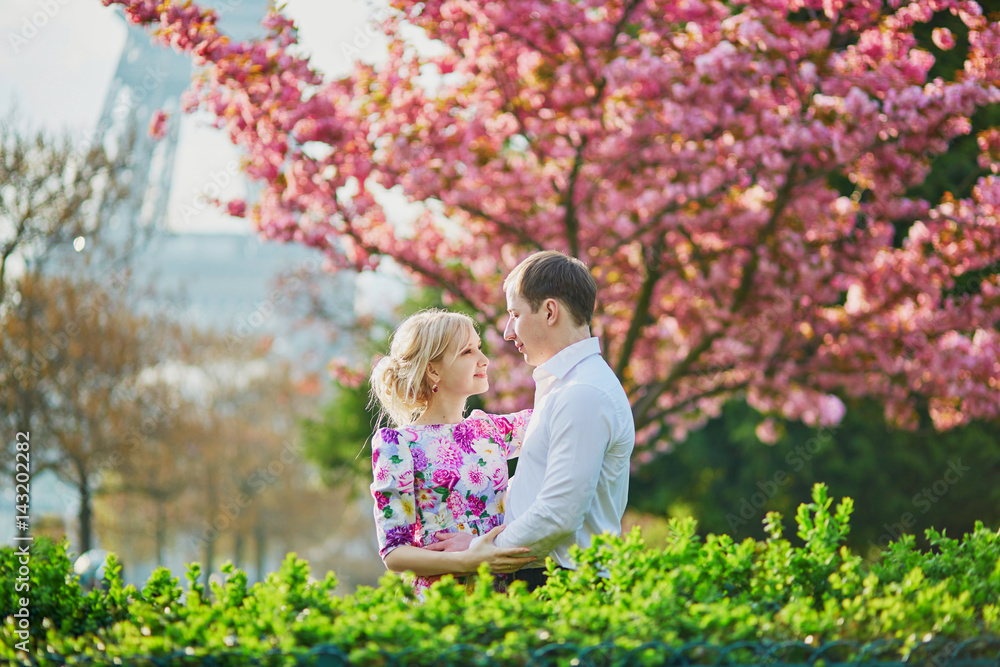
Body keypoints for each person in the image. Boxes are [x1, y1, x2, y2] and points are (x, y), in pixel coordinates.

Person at [427, 250, 636, 590]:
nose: (509, 331)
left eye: (515, 314)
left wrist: (482, 552)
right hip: (544, 578)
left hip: (560, 585)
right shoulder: (566, 386)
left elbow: (558, 514)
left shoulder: (582, 393)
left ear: (550, 311)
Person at [368, 309, 535, 592]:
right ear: (433, 369)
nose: (484, 360)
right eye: (467, 352)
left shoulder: (491, 430)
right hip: (439, 603)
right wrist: (468, 561)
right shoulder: (398, 444)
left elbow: (555, 415)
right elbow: (394, 552)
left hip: (502, 597)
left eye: (479, 348)